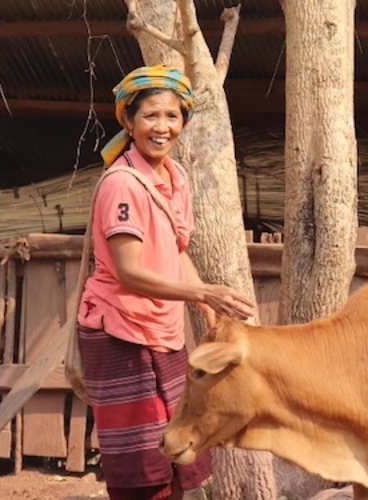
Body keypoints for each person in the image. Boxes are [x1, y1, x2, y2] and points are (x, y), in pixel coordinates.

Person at [77, 65, 255, 500]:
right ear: (129, 121)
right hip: (119, 334)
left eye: (172, 117)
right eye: (151, 116)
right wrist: (200, 292)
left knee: (178, 455)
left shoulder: (174, 178)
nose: (162, 127)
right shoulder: (122, 184)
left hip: (164, 334)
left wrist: (207, 306)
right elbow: (129, 271)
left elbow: (174, 250)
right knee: (140, 471)